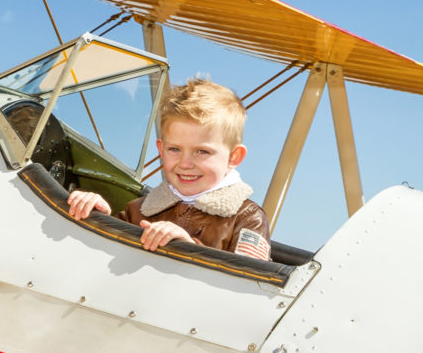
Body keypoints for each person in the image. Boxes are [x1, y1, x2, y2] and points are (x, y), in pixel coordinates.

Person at [67, 78, 272, 260]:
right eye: (174, 149)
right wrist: (96, 214)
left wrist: (187, 248)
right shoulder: (138, 209)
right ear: (161, 150)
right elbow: (101, 255)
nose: (185, 163)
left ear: (234, 157)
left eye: (202, 152)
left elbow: (249, 284)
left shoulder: (248, 218)